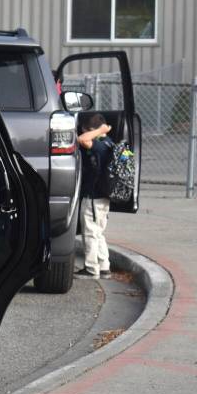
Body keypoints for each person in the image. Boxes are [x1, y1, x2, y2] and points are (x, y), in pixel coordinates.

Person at [77, 113, 114, 279]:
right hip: (103, 196)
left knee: (90, 232)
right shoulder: (110, 142)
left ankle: (91, 269)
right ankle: (104, 266)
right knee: (98, 232)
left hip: (93, 197)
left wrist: (98, 131)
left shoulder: (100, 145)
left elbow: (82, 139)